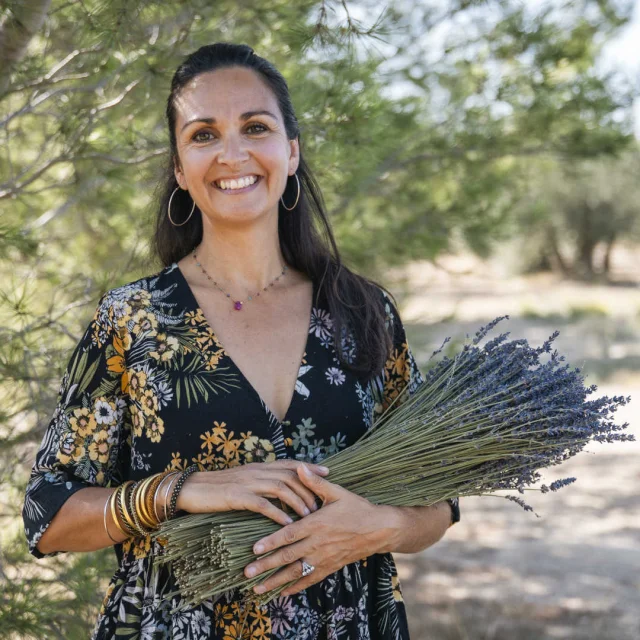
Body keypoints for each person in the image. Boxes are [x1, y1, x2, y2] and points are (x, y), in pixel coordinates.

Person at [22, 42, 460, 639]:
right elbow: (48, 516)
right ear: (179, 167)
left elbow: (440, 498)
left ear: (291, 151)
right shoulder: (132, 321)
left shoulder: (362, 310)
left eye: (256, 126)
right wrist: (184, 490)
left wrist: (379, 528)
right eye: (203, 135)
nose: (232, 153)